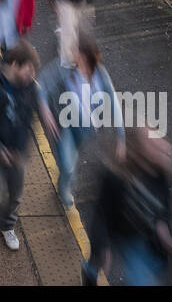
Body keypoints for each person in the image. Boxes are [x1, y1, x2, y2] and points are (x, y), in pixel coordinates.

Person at [85, 127, 172, 286]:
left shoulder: (161, 176)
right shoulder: (115, 177)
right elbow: (100, 214)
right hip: (114, 225)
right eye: (153, 144)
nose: (162, 146)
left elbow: (163, 210)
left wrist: (170, 242)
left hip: (136, 232)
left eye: (160, 141)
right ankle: (90, 274)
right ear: (140, 150)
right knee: (98, 260)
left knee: (145, 274)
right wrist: (103, 245)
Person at [37, 34, 126, 209]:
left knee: (71, 158)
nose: (72, 53)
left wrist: (120, 137)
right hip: (65, 124)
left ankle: (65, 179)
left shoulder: (100, 73)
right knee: (68, 165)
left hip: (86, 129)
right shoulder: (64, 67)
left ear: (85, 55)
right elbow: (41, 84)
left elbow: (113, 102)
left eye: (76, 51)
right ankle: (64, 189)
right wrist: (45, 108)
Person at [0, 41, 41, 251]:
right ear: (14, 65)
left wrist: (18, 149)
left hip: (14, 150)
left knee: (15, 194)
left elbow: (28, 120)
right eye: (28, 70)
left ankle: (6, 226)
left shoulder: (29, 88)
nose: (31, 76)